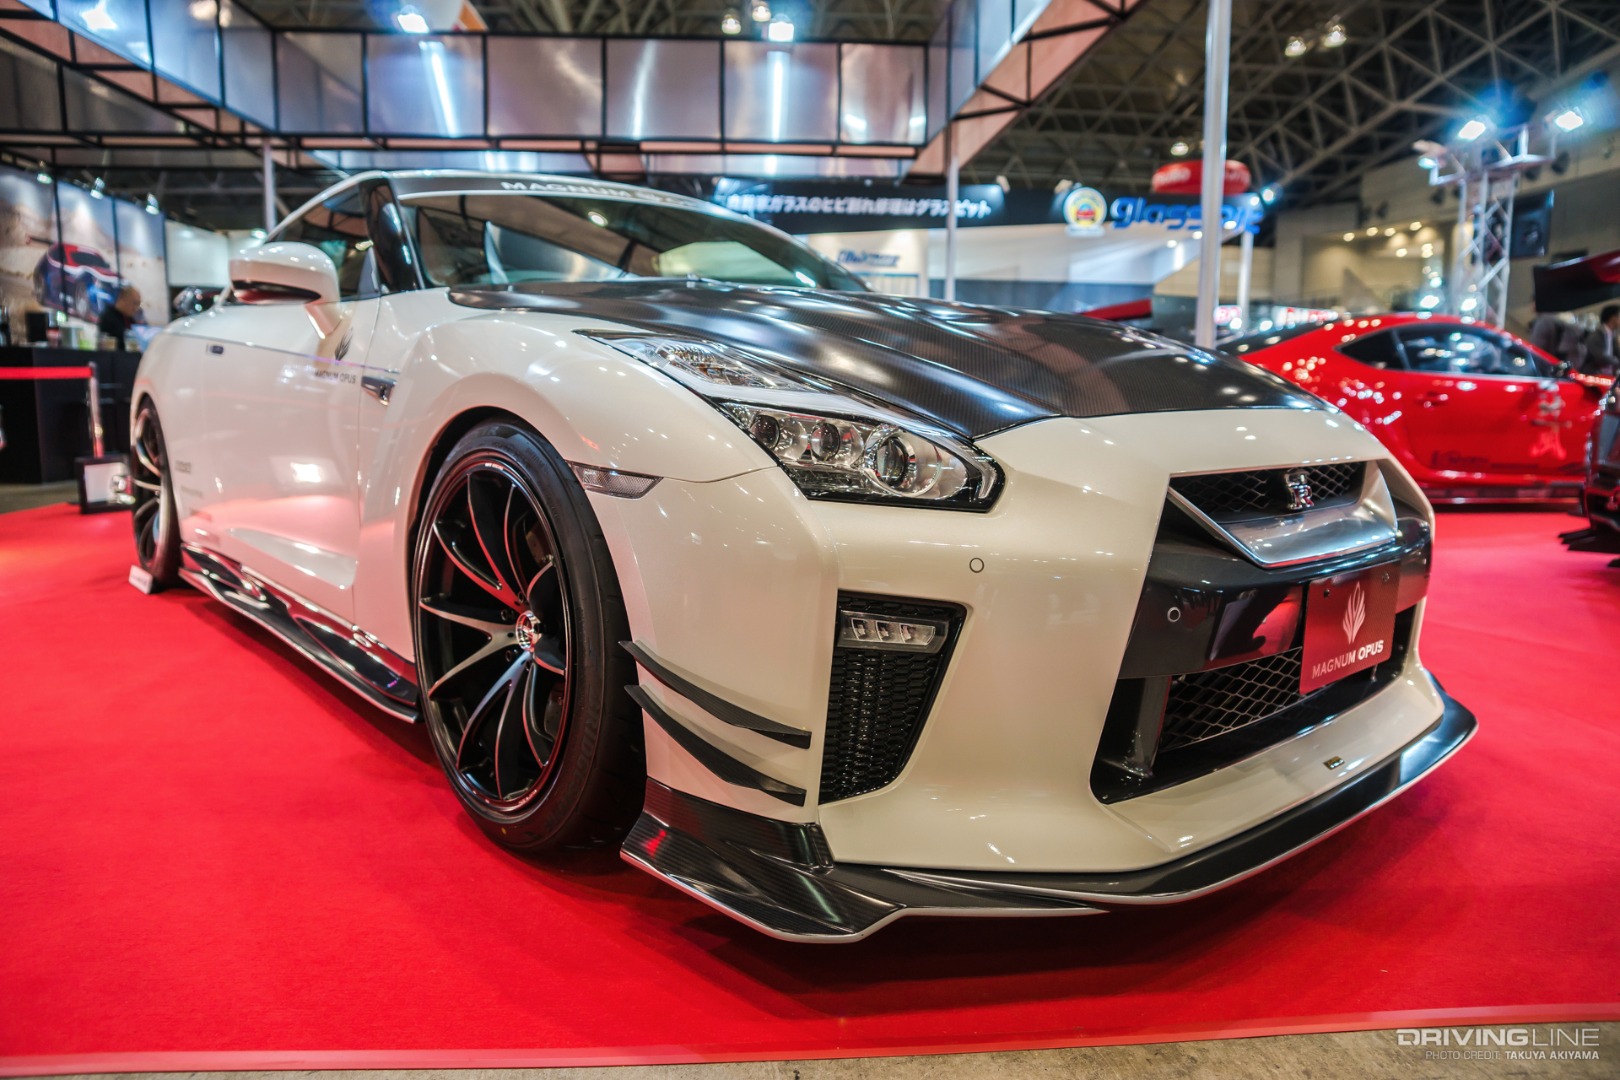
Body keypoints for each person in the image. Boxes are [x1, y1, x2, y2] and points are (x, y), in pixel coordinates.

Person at [97, 286, 143, 350]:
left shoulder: (131, 320)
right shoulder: (108, 318)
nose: (136, 308)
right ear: (122, 299)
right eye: (134, 303)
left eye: (138, 304)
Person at [1583, 305, 1620, 376]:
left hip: (1607, 375)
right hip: (1593, 375)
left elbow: (1617, 353)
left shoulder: (1612, 335)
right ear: (1613, 318)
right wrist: (1616, 361)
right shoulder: (1596, 335)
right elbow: (1600, 358)